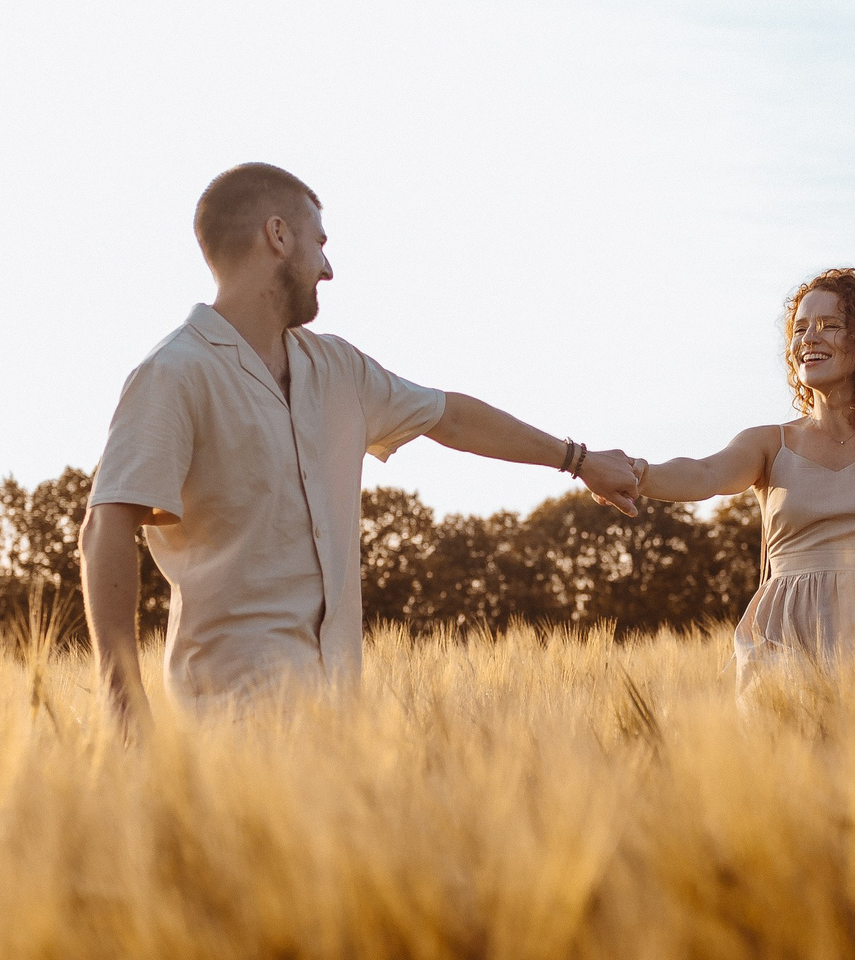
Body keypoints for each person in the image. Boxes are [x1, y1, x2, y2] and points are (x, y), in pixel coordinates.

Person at [80, 163, 643, 725]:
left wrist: (580, 461)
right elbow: (106, 526)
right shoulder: (174, 373)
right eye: (319, 242)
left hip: (337, 722)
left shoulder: (338, 369)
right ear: (278, 236)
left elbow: (452, 418)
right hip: (226, 722)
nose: (328, 267)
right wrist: (124, 707)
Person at [630, 267, 855, 684]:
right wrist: (639, 474)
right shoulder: (768, 443)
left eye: (830, 325)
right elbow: (704, 473)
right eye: (800, 329)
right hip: (786, 651)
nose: (809, 339)